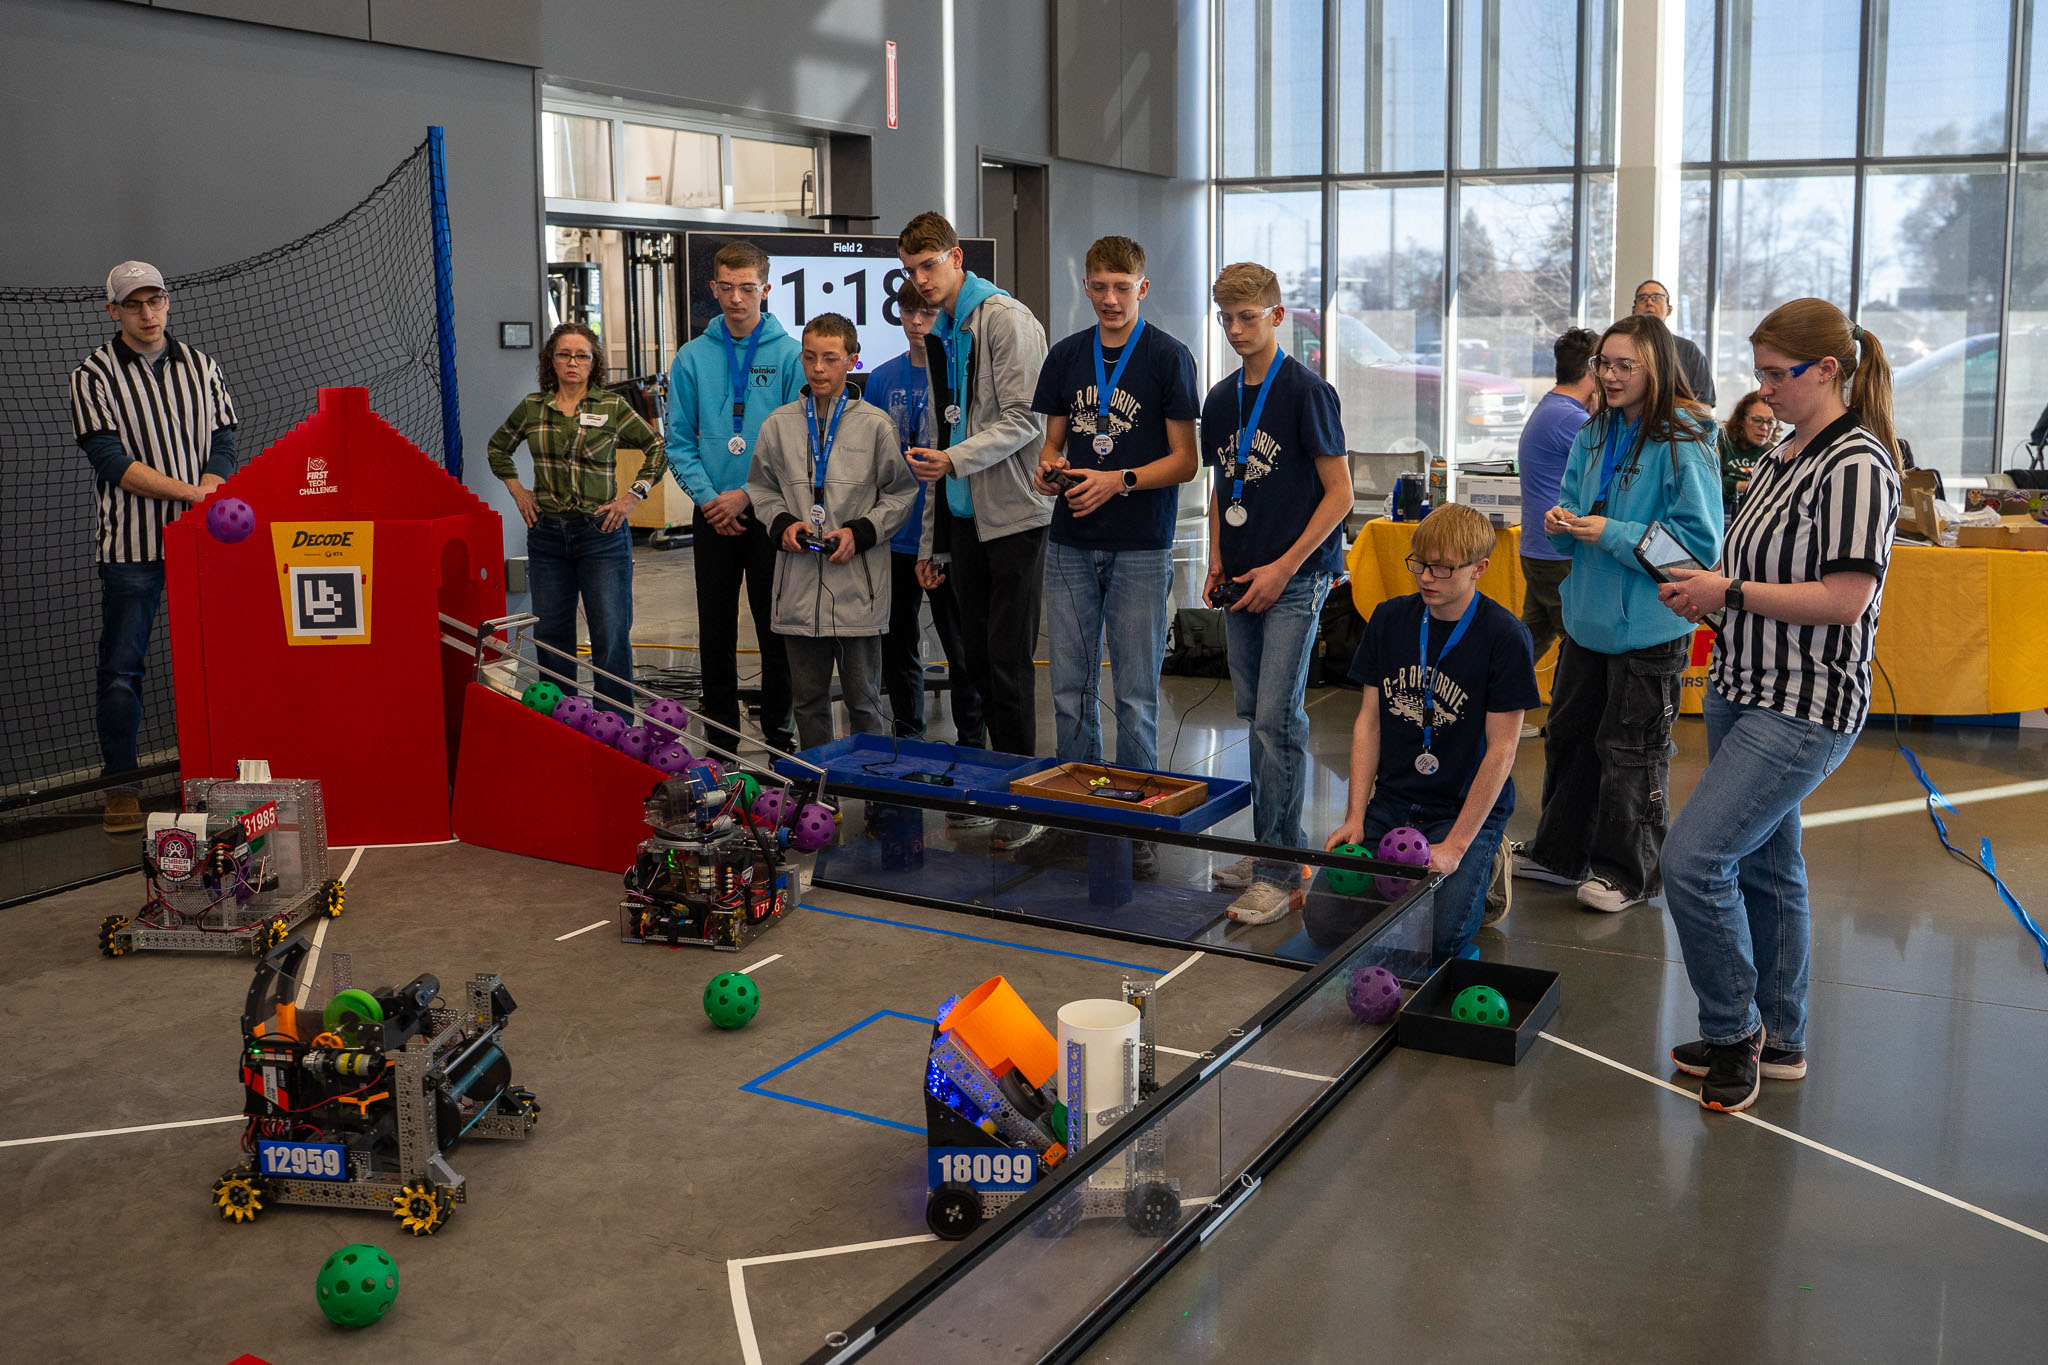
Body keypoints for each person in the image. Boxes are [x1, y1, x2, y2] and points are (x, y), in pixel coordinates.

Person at [1655, 300, 1901, 1113]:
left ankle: (1735, 1033)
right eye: (1757, 374)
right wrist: (1712, 595)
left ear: (1828, 371)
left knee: (1691, 859)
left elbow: (1842, 598)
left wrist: (1728, 589)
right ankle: (1784, 1035)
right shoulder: (1782, 452)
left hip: (1802, 705)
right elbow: (1756, 572)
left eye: (1776, 375)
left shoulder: (1857, 463)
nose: (1763, 393)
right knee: (1766, 860)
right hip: (1741, 685)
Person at [1513, 314, 1722, 913]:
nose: (1608, 375)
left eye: (1623, 365)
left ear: (1655, 369)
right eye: (1603, 364)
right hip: (1587, 623)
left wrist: (1609, 533)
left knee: (1631, 752)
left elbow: (1694, 554)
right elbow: (1574, 515)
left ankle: (1629, 873)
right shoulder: (1592, 433)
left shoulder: (1686, 439)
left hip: (1650, 631)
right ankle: (1559, 855)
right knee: (1570, 742)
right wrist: (1561, 523)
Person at [1028, 234, 1200, 859]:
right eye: (1098, 286)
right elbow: (1052, 443)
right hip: (1071, 541)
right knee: (1070, 691)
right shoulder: (1068, 356)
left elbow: (1186, 461)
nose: (1109, 298)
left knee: (1134, 694)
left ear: (1142, 289)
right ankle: (1077, 817)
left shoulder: (1168, 357)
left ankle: (1137, 828)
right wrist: (1050, 470)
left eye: (1121, 287)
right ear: (1086, 286)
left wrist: (1119, 480)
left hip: (1140, 546)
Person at [1200, 262, 1354, 925]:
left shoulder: (1306, 392)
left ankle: (1280, 871)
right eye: (1226, 319)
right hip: (1239, 577)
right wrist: (1214, 560)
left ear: (1277, 316)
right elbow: (1220, 489)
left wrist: (1286, 568)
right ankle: (1274, 847)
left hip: (1294, 578)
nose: (1237, 329)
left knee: (1276, 720)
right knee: (1254, 718)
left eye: (1248, 317)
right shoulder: (1220, 397)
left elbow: (1341, 494)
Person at [897, 211, 1051, 845]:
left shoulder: (1005, 320)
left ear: (957, 257)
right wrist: (933, 538)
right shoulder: (945, 329)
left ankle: (1026, 805)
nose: (921, 280)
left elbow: (1025, 419)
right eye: (909, 271)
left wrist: (955, 460)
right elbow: (944, 433)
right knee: (974, 668)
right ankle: (996, 788)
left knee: (1008, 664)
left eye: (929, 265)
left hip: (1012, 516)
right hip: (961, 518)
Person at [1327, 504, 1539, 959]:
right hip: (1394, 799)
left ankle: (1488, 859)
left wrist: (1457, 846)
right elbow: (1369, 720)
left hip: (1460, 810)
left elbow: (1502, 750)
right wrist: (1355, 815)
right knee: (1326, 924)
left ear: (1479, 568)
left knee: (1439, 940)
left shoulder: (1505, 636)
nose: (1426, 577)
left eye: (1443, 568)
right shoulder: (1389, 619)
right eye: (1420, 563)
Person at [70, 261, 237, 834]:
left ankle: (236, 778)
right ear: (113, 310)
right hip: (130, 546)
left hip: (202, 542)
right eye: (134, 304)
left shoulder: (202, 365)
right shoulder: (92, 374)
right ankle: (121, 790)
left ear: (168, 302)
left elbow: (224, 438)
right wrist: (196, 493)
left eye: (155, 300)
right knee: (122, 669)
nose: (147, 313)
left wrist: (214, 485)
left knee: (225, 659)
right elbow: (112, 463)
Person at [744, 314, 918, 749]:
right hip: (797, 590)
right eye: (810, 357)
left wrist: (861, 532)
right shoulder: (777, 425)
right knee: (808, 701)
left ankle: (872, 787)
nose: (818, 368)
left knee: (864, 702)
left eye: (830, 358)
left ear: (851, 361)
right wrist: (782, 524)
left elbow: (901, 494)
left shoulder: (876, 425)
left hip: (859, 588)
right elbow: (761, 489)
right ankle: (820, 798)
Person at [666, 240, 804, 755]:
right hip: (712, 516)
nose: (736, 298)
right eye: (726, 287)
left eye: (747, 288)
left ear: (766, 289)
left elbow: (796, 443)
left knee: (777, 632)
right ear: (713, 288)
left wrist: (746, 495)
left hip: (769, 515)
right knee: (715, 630)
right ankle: (720, 737)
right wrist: (710, 500)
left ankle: (780, 737)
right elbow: (679, 440)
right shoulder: (691, 358)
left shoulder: (791, 356)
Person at [487, 322, 663, 713]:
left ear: (593, 362)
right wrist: (518, 491)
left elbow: (656, 448)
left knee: (610, 631)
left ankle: (615, 724)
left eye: (581, 355)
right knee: (551, 632)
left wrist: (631, 498)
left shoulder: (612, 407)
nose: (572, 362)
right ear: (551, 361)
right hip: (547, 535)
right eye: (564, 354)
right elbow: (498, 448)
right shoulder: (533, 407)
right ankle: (564, 720)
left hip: (601, 533)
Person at [865, 282, 986, 755]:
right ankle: (909, 734)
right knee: (899, 646)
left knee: (961, 648)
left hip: (947, 534)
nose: (918, 323)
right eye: (909, 313)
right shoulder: (881, 378)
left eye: (928, 313)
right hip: (896, 535)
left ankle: (971, 741)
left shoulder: (956, 374)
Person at [1515, 327, 1600, 674]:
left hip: (1541, 549)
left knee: (1530, 641)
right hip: (1556, 551)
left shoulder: (1553, 408)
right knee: (1580, 647)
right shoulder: (1571, 418)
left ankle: (1487, 709)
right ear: (1593, 371)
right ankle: (1567, 724)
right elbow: (1612, 469)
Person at [1631, 279, 1715, 406]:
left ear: (1669, 310)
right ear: (1634, 310)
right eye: (1642, 298)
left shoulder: (1689, 351)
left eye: (1656, 298)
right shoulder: (1623, 348)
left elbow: (1704, 407)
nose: (1649, 302)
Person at [1718, 389, 1777, 519]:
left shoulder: (1773, 453)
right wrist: (1737, 486)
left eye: (1770, 422)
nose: (1764, 428)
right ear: (1741, 420)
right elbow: (1708, 481)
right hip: (1721, 512)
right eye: (1757, 420)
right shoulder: (1722, 441)